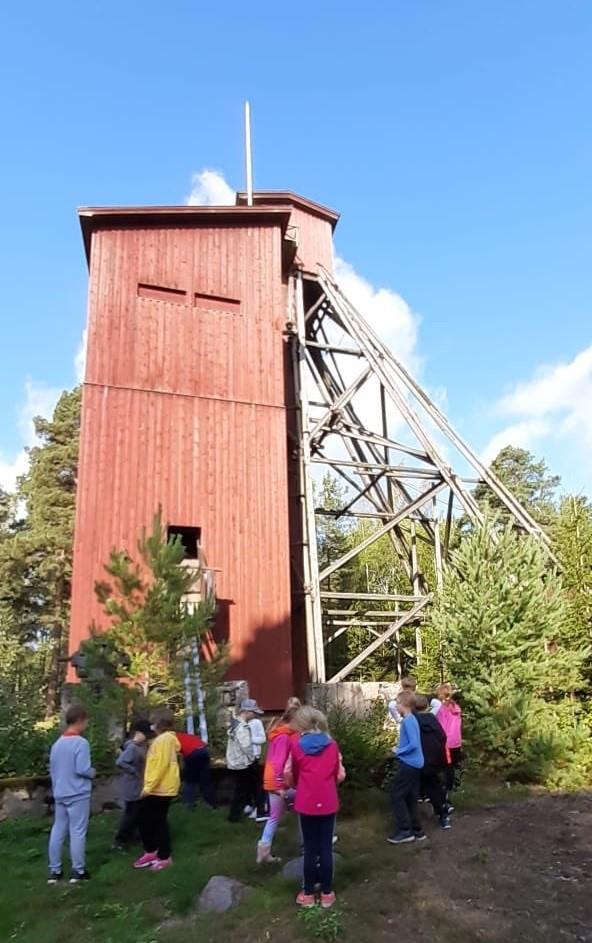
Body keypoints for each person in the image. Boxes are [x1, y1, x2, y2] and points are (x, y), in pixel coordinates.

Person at [289, 706, 345, 910]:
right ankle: (328, 894)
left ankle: (309, 894)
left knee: (310, 850)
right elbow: (334, 772)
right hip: (328, 801)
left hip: (306, 802)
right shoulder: (332, 745)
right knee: (326, 848)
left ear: (301, 724)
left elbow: (293, 774)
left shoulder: (296, 745)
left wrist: (299, 785)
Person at [48, 704, 96, 884]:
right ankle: (78, 871)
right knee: (77, 831)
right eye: (86, 721)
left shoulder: (57, 744)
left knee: (58, 830)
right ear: (80, 721)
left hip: (60, 793)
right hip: (77, 793)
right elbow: (82, 769)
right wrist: (93, 772)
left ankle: (54, 871)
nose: (87, 725)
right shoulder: (81, 743)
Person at [134, 712, 180, 872]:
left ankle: (165, 856)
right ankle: (152, 850)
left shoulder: (164, 740)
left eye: (153, 723)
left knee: (158, 822)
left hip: (161, 788)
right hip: (158, 787)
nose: (151, 727)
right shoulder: (161, 740)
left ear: (159, 724)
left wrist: (148, 788)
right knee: (146, 819)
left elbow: (160, 766)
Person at [256, 698, 301, 864]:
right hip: (276, 780)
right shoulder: (284, 738)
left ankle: (263, 853)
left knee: (274, 816)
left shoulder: (280, 734)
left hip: (271, 779)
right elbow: (278, 762)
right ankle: (309, 842)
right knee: (301, 807)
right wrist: (280, 784)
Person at [387, 691, 424, 845]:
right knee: (410, 797)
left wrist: (398, 751)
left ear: (404, 705)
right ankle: (417, 830)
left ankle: (405, 831)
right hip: (415, 764)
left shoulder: (409, 721)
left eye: (397, 702)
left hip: (409, 764)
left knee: (397, 796)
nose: (395, 705)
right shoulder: (411, 719)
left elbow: (414, 744)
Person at [113, 719, 153, 850]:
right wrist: (134, 771)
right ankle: (120, 840)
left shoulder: (140, 746)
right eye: (145, 735)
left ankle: (134, 836)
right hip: (132, 786)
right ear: (139, 733)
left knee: (138, 813)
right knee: (131, 814)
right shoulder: (132, 747)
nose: (147, 738)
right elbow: (120, 762)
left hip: (138, 785)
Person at [414, 695, 451, 830]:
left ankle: (413, 823)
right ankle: (443, 814)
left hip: (420, 759)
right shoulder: (433, 719)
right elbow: (443, 736)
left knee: (421, 787)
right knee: (434, 785)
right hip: (435, 759)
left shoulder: (414, 721)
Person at [226, 698, 263, 823]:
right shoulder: (242, 727)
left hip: (234, 761)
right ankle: (234, 816)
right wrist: (252, 758)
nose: (254, 715)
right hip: (241, 762)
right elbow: (246, 745)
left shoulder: (234, 722)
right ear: (247, 711)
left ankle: (240, 812)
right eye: (253, 712)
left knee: (242, 788)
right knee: (241, 790)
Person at [176, 729, 216, 810]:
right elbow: (204, 745)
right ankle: (211, 804)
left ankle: (189, 804)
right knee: (205, 780)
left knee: (189, 781)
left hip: (192, 754)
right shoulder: (189, 736)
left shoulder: (173, 738)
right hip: (204, 753)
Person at [435, 682, 463, 796]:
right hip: (456, 742)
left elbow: (439, 726)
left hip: (446, 743)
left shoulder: (442, 710)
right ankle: (450, 788)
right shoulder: (456, 708)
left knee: (444, 767)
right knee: (451, 767)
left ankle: (445, 791)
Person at [247, 708, 268, 822]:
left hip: (255, 756)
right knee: (250, 784)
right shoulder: (243, 723)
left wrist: (249, 739)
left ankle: (260, 809)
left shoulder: (256, 722)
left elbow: (262, 738)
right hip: (246, 757)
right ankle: (254, 807)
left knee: (258, 784)